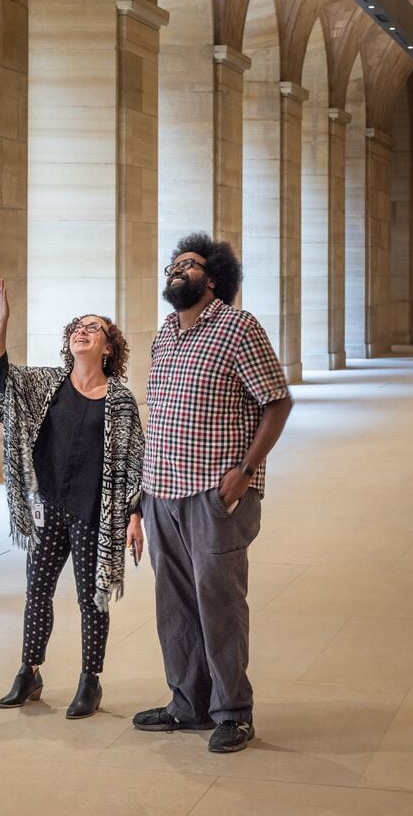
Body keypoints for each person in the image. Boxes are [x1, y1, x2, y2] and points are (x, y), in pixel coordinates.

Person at [133, 232, 292, 753]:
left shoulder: (238, 327)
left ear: (214, 278)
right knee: (174, 606)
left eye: (189, 265)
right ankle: (188, 704)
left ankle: (233, 712)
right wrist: (142, 497)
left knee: (218, 603)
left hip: (213, 494)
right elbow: (157, 418)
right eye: (172, 266)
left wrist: (246, 472)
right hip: (162, 492)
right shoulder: (164, 336)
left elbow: (276, 402)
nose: (177, 271)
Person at [0, 276, 144, 718]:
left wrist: (134, 516)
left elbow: (135, 462)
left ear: (108, 347)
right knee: (37, 591)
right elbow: (0, 375)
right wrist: (2, 318)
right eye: (78, 325)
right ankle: (29, 671)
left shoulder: (120, 401)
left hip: (94, 513)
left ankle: (89, 682)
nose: (83, 330)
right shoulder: (46, 385)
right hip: (48, 507)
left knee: (91, 596)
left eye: (94, 327)